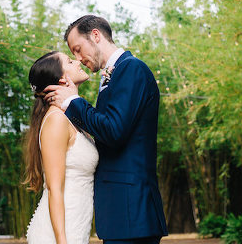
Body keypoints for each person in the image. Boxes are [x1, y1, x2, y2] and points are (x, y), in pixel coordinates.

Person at [45, 15, 168, 244]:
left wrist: (73, 101)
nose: (79, 59)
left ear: (95, 35)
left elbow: (113, 130)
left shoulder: (132, 69)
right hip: (122, 214)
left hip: (132, 211)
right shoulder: (112, 76)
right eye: (73, 54)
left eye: (78, 49)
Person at [25, 51, 99, 244]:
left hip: (75, 226)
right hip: (58, 234)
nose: (77, 61)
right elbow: (54, 187)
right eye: (69, 60)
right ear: (61, 79)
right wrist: (62, 240)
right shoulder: (56, 119)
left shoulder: (71, 117)